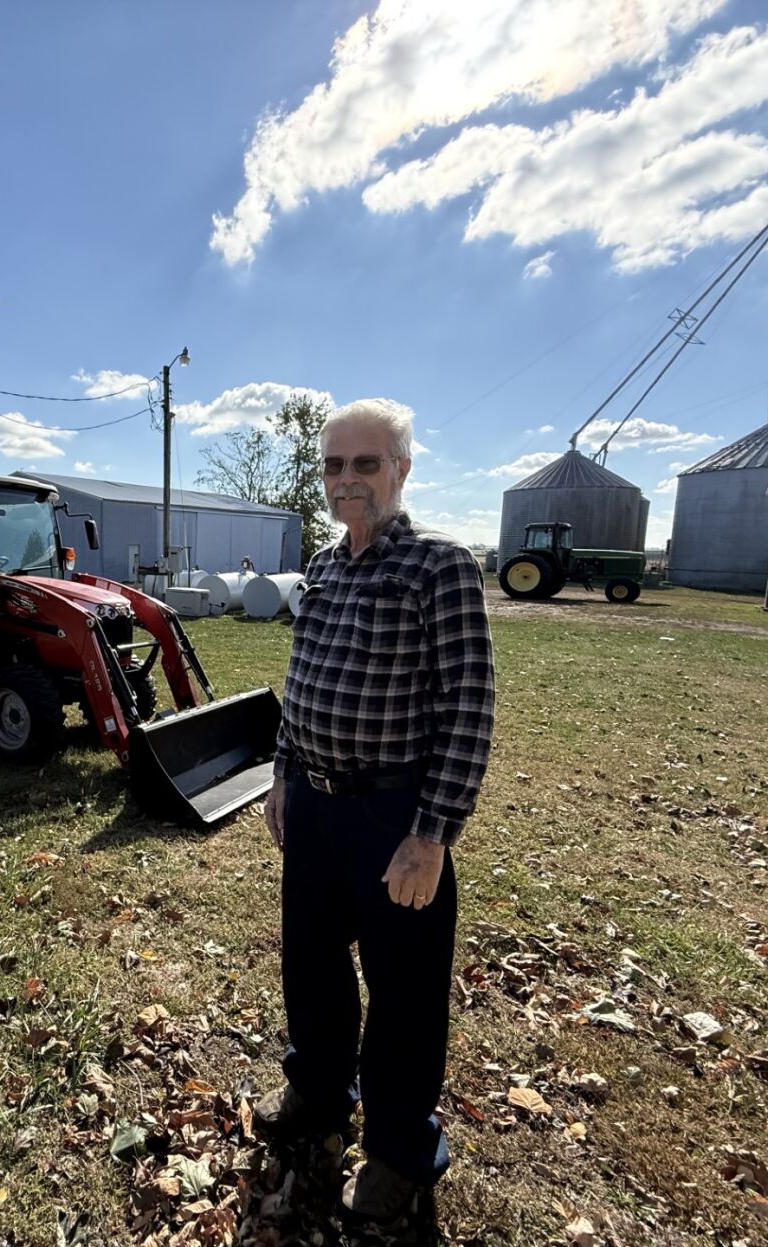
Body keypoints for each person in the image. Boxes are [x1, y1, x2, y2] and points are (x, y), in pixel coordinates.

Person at [255, 397, 495, 1236]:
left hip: (395, 815)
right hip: (314, 807)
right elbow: (303, 682)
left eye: (366, 463)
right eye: (333, 464)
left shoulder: (440, 566)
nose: (346, 479)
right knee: (313, 965)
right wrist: (284, 773)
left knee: (404, 994)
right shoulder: (323, 566)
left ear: (402, 469)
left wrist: (432, 834)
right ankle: (319, 1096)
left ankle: (397, 1154)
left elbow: (469, 709)